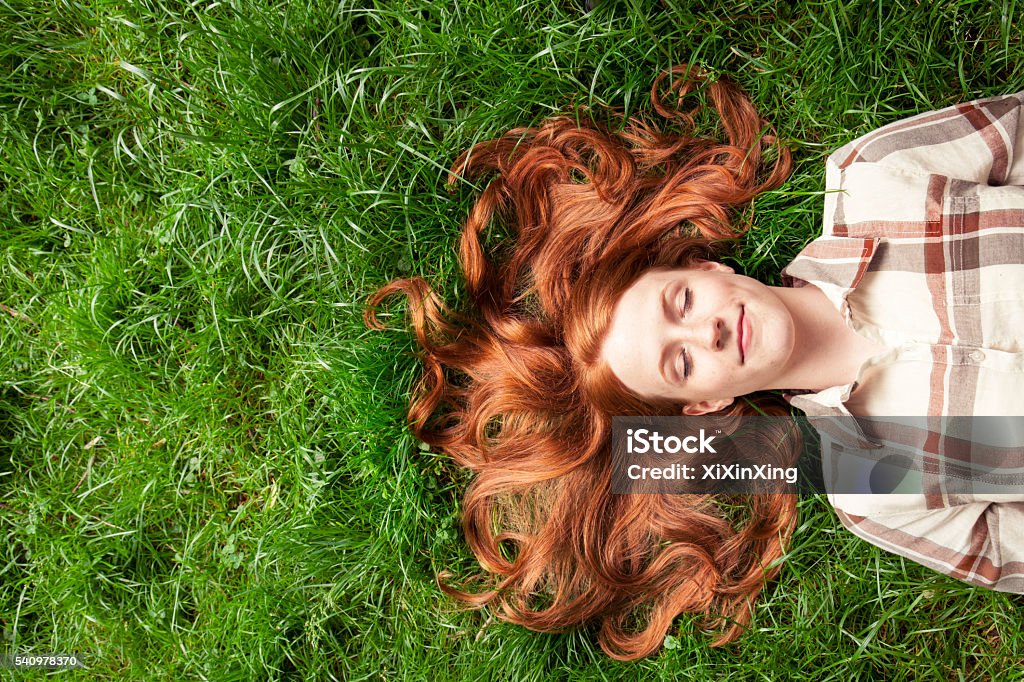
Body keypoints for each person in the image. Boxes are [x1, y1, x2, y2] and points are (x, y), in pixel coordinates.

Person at [364, 66, 1024, 660]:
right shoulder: (866, 486)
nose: (704, 331)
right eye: (679, 364)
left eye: (681, 301)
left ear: (706, 267)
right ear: (705, 407)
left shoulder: (876, 181)